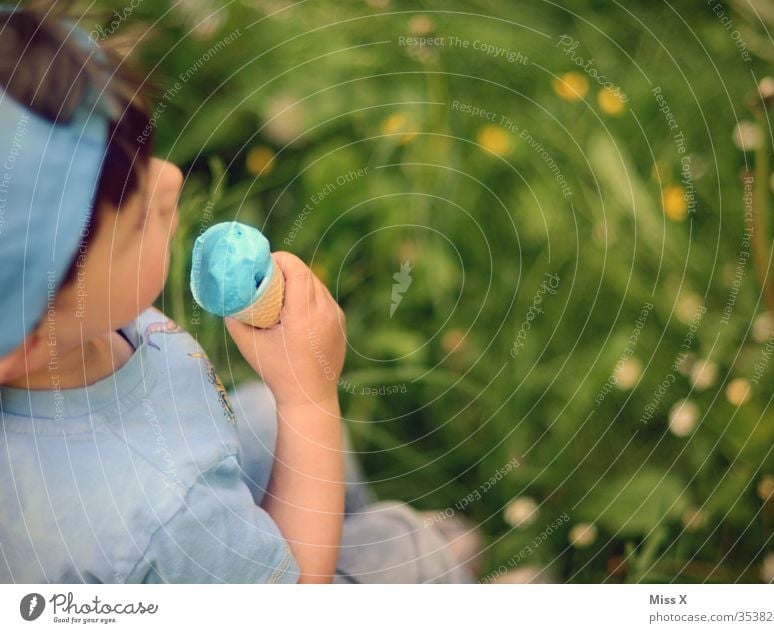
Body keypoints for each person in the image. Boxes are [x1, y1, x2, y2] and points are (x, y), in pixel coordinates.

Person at [0, 4, 477, 583]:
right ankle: (446, 561)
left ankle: (351, 518)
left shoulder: (50, 328)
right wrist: (308, 399)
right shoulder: (163, 515)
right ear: (20, 343)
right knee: (407, 553)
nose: (173, 181)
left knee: (263, 420)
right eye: (134, 225)